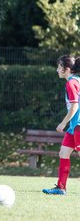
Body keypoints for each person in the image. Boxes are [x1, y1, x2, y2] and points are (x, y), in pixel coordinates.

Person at [42, 55, 80, 195]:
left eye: (59, 67)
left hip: (78, 126)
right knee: (63, 153)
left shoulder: (71, 83)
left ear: (67, 69)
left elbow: (74, 107)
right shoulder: (77, 81)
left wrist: (62, 123)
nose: (57, 70)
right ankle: (60, 187)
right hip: (74, 126)